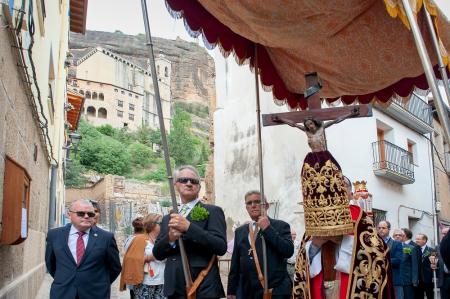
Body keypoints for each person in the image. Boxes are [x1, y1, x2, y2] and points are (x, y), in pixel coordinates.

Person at [293, 177, 394, 299]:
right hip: (319, 286)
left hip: (349, 286)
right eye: (331, 187)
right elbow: (302, 261)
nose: (334, 190)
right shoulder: (317, 218)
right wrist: (315, 245)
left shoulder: (360, 219)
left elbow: (377, 251)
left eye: (340, 186)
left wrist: (343, 240)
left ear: (351, 195)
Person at [153, 165, 227, 299]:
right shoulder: (167, 219)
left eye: (194, 181)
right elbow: (157, 254)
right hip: (174, 288)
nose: (189, 183)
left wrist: (189, 228)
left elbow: (220, 247)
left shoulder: (213, 211)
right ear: (176, 185)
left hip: (203, 286)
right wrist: (169, 239)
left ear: (199, 187)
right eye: (184, 180)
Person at [45, 199, 121, 299]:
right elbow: (51, 264)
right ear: (69, 214)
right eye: (81, 213)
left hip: (95, 294)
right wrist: (65, 278)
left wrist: (98, 284)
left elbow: (115, 268)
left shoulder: (106, 238)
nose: (86, 216)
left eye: (90, 214)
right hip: (63, 293)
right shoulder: (54, 235)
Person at [227, 190, 294, 299]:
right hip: (249, 292)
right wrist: (231, 290)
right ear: (246, 208)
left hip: (275, 291)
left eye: (257, 202)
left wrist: (268, 229)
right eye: (249, 203)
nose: (253, 205)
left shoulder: (281, 226)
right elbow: (235, 263)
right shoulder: (240, 231)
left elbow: (288, 251)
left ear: (266, 206)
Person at [121, 213, 166, 299]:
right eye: (161, 223)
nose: (164, 226)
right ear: (151, 225)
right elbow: (130, 261)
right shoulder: (139, 240)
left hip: (162, 282)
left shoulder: (164, 240)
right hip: (145, 283)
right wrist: (148, 257)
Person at [377, 221, 403, 299]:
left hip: (394, 280)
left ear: (389, 229)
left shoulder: (396, 244)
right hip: (379, 281)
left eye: (383, 228)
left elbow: (398, 260)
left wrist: (381, 261)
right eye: (379, 228)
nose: (381, 230)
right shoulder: (374, 243)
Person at [394, 229, 419, 299]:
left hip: (407, 280)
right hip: (395, 280)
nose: (398, 237)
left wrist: (414, 280)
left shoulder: (410, 248)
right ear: (393, 237)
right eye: (396, 235)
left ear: (403, 237)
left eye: (400, 235)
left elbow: (414, 265)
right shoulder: (390, 248)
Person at [431, 227, 450, 299]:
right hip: (443, 278)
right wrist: (433, 264)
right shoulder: (437, 247)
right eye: (442, 234)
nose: (443, 235)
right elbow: (432, 258)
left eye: (446, 233)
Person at [415, 233, 435, 299]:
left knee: (430, 296)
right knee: (418, 296)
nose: (416, 240)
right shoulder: (414, 249)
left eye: (418, 239)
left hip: (428, 278)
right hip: (417, 279)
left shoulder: (431, 250)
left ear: (424, 240)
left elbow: (435, 263)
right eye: (416, 239)